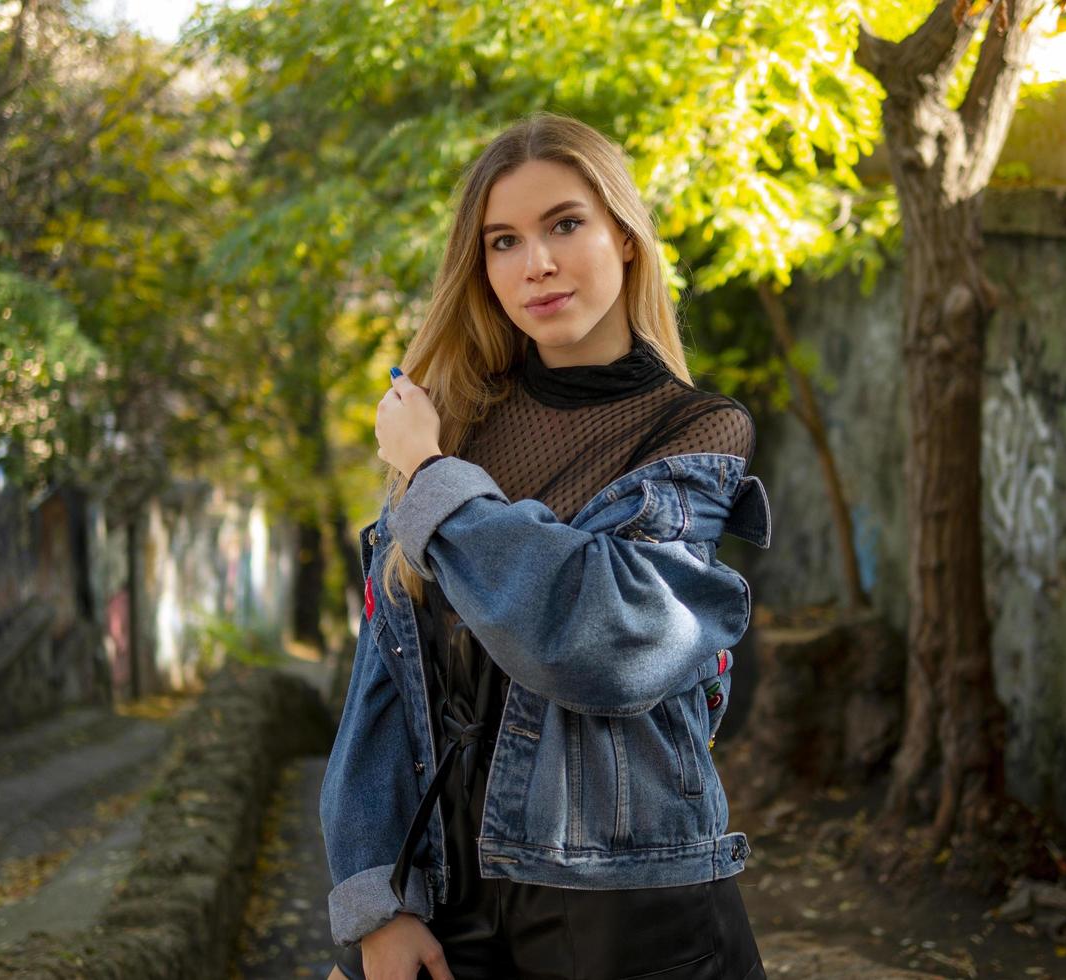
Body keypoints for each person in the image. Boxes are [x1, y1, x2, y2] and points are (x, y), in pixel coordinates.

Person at [320, 111, 772, 980]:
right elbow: (383, 675)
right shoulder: (456, 424)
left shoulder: (693, 430)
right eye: (503, 241)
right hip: (452, 904)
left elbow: (605, 641)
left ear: (626, 238)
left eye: (565, 224)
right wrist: (376, 899)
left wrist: (432, 476)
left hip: (626, 907)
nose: (537, 264)